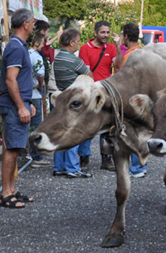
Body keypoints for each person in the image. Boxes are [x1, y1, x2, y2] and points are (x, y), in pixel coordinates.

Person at [0, 8, 37, 208]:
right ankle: (5, 194)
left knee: (15, 147)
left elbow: (18, 80)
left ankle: (12, 190)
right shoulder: (16, 47)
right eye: (33, 22)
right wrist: (21, 106)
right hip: (13, 106)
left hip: (18, 104)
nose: (34, 26)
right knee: (12, 150)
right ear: (25, 24)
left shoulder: (18, 46)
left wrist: (28, 103)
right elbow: (10, 80)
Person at [52, 28, 93, 178]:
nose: (78, 44)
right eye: (78, 41)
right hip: (74, 101)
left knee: (60, 134)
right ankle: (72, 168)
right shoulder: (74, 60)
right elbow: (89, 76)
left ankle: (59, 166)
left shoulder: (57, 57)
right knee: (73, 134)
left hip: (61, 97)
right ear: (71, 42)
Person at [78, 20, 118, 171]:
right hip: (91, 91)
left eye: (107, 32)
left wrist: (119, 46)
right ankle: (84, 157)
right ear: (95, 33)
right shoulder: (85, 48)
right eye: (102, 32)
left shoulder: (112, 47)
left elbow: (118, 66)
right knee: (87, 126)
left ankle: (106, 158)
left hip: (107, 92)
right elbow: (87, 72)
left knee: (108, 127)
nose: (106, 35)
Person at [114, 23, 148, 178]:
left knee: (133, 134)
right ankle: (142, 165)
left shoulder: (130, 56)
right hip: (145, 98)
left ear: (126, 36)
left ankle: (137, 168)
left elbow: (119, 71)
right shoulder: (144, 52)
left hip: (133, 99)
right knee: (142, 133)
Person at [28, 30, 50, 167]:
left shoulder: (25, 53)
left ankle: (29, 153)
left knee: (28, 126)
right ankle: (36, 156)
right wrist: (41, 85)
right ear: (36, 43)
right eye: (42, 43)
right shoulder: (36, 56)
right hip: (35, 93)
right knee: (36, 126)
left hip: (25, 93)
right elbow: (40, 73)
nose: (43, 46)